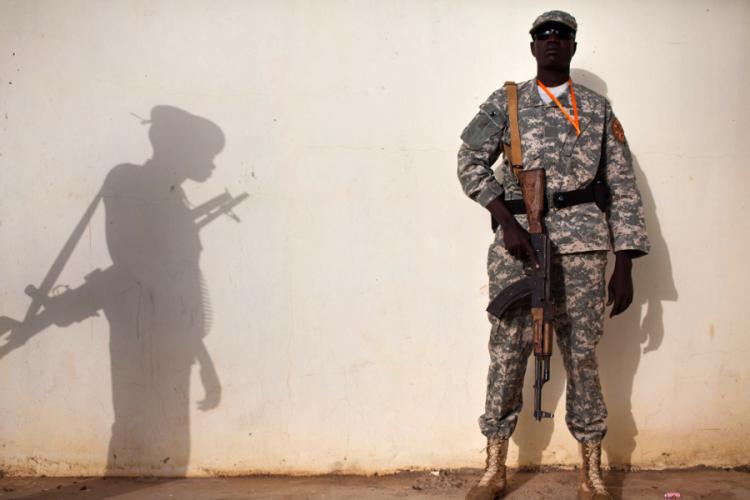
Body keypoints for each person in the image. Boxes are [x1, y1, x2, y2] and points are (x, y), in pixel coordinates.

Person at [457, 10, 649, 500]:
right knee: (506, 353)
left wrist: (623, 261)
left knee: (582, 355)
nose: (552, 42)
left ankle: (591, 471)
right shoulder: (508, 103)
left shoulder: (596, 108)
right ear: (532, 46)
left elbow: (622, 185)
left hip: (584, 249)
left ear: (574, 46)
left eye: (562, 36)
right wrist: (507, 221)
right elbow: (469, 162)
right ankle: (494, 467)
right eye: (544, 35)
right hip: (517, 248)